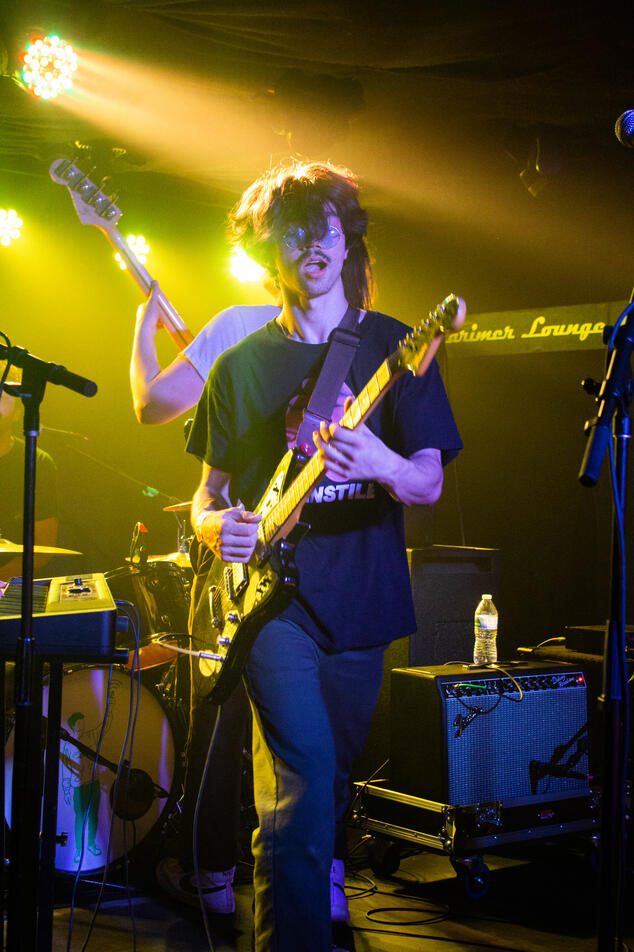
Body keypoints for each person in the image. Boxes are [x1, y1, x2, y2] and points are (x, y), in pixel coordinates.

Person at [186, 159, 463, 951]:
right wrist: (218, 529)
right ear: (269, 251)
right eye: (296, 233)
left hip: (366, 604)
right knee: (303, 786)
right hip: (276, 606)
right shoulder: (239, 369)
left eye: (328, 229)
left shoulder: (395, 348)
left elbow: (426, 483)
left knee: (325, 787)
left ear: (347, 243)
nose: (314, 245)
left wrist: (376, 460)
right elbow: (206, 500)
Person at [130, 278, 280, 914]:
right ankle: (320, 877)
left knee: (218, 710)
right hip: (329, 556)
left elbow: (152, 404)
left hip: (242, 547)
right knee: (316, 723)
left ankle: (211, 874)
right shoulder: (365, 329)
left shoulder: (241, 323)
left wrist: (142, 325)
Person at [0, 362, 59, 586]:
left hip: (7, 590)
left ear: (17, 414)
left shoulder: (37, 462)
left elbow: (42, 549)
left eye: (1, 396)